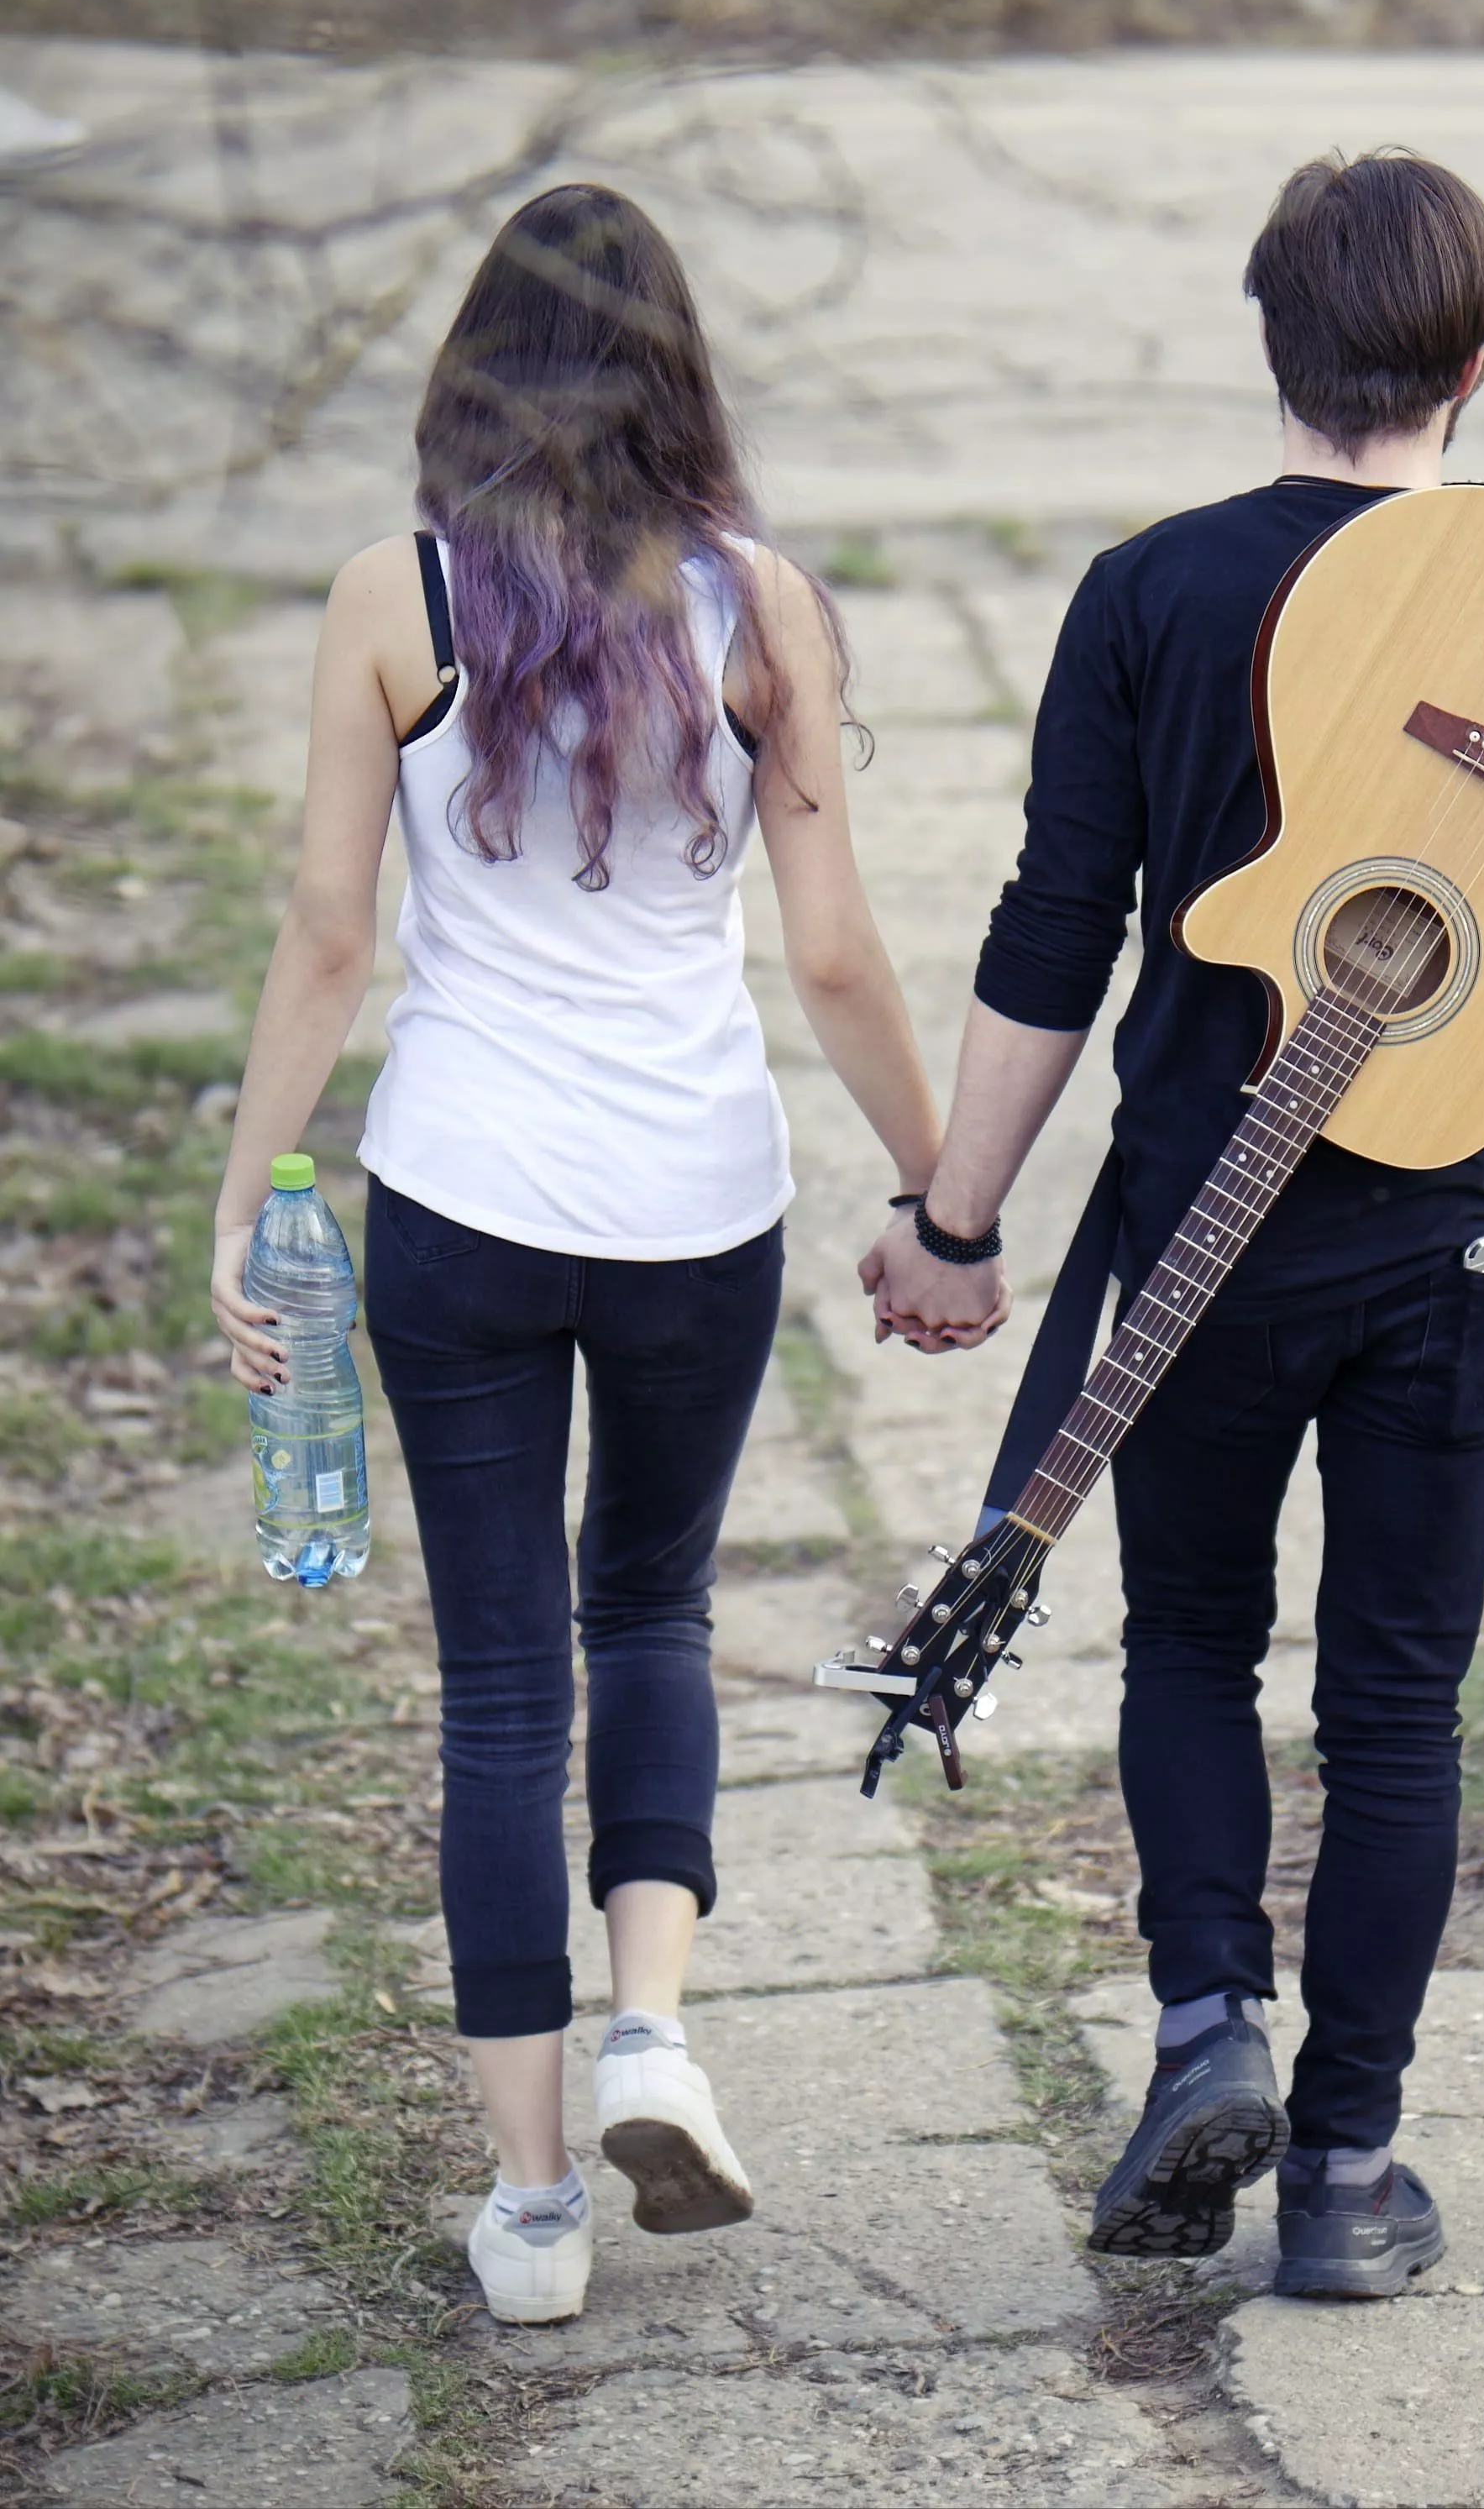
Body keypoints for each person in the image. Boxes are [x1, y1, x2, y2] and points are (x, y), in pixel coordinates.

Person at [862, 151, 1484, 2299]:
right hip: (1451, 1255)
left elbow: (1058, 927)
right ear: (1477, 365)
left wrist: (957, 1216)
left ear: (1271, 348)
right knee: (1397, 1710)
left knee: (1192, 1648)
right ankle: (1341, 2181)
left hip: (1202, 1250)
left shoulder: (1152, 590)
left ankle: (1204, 2018)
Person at [211, 185, 946, 2328]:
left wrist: (251, 1195)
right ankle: (653, 2027)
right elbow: (828, 950)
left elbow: (334, 936)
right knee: (655, 1610)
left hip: (461, 1203)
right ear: (678, 378)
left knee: (498, 1694)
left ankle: (533, 2211)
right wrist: (941, 1190)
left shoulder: (393, 594)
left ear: (471, 374)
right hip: (696, 1207)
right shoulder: (758, 609)